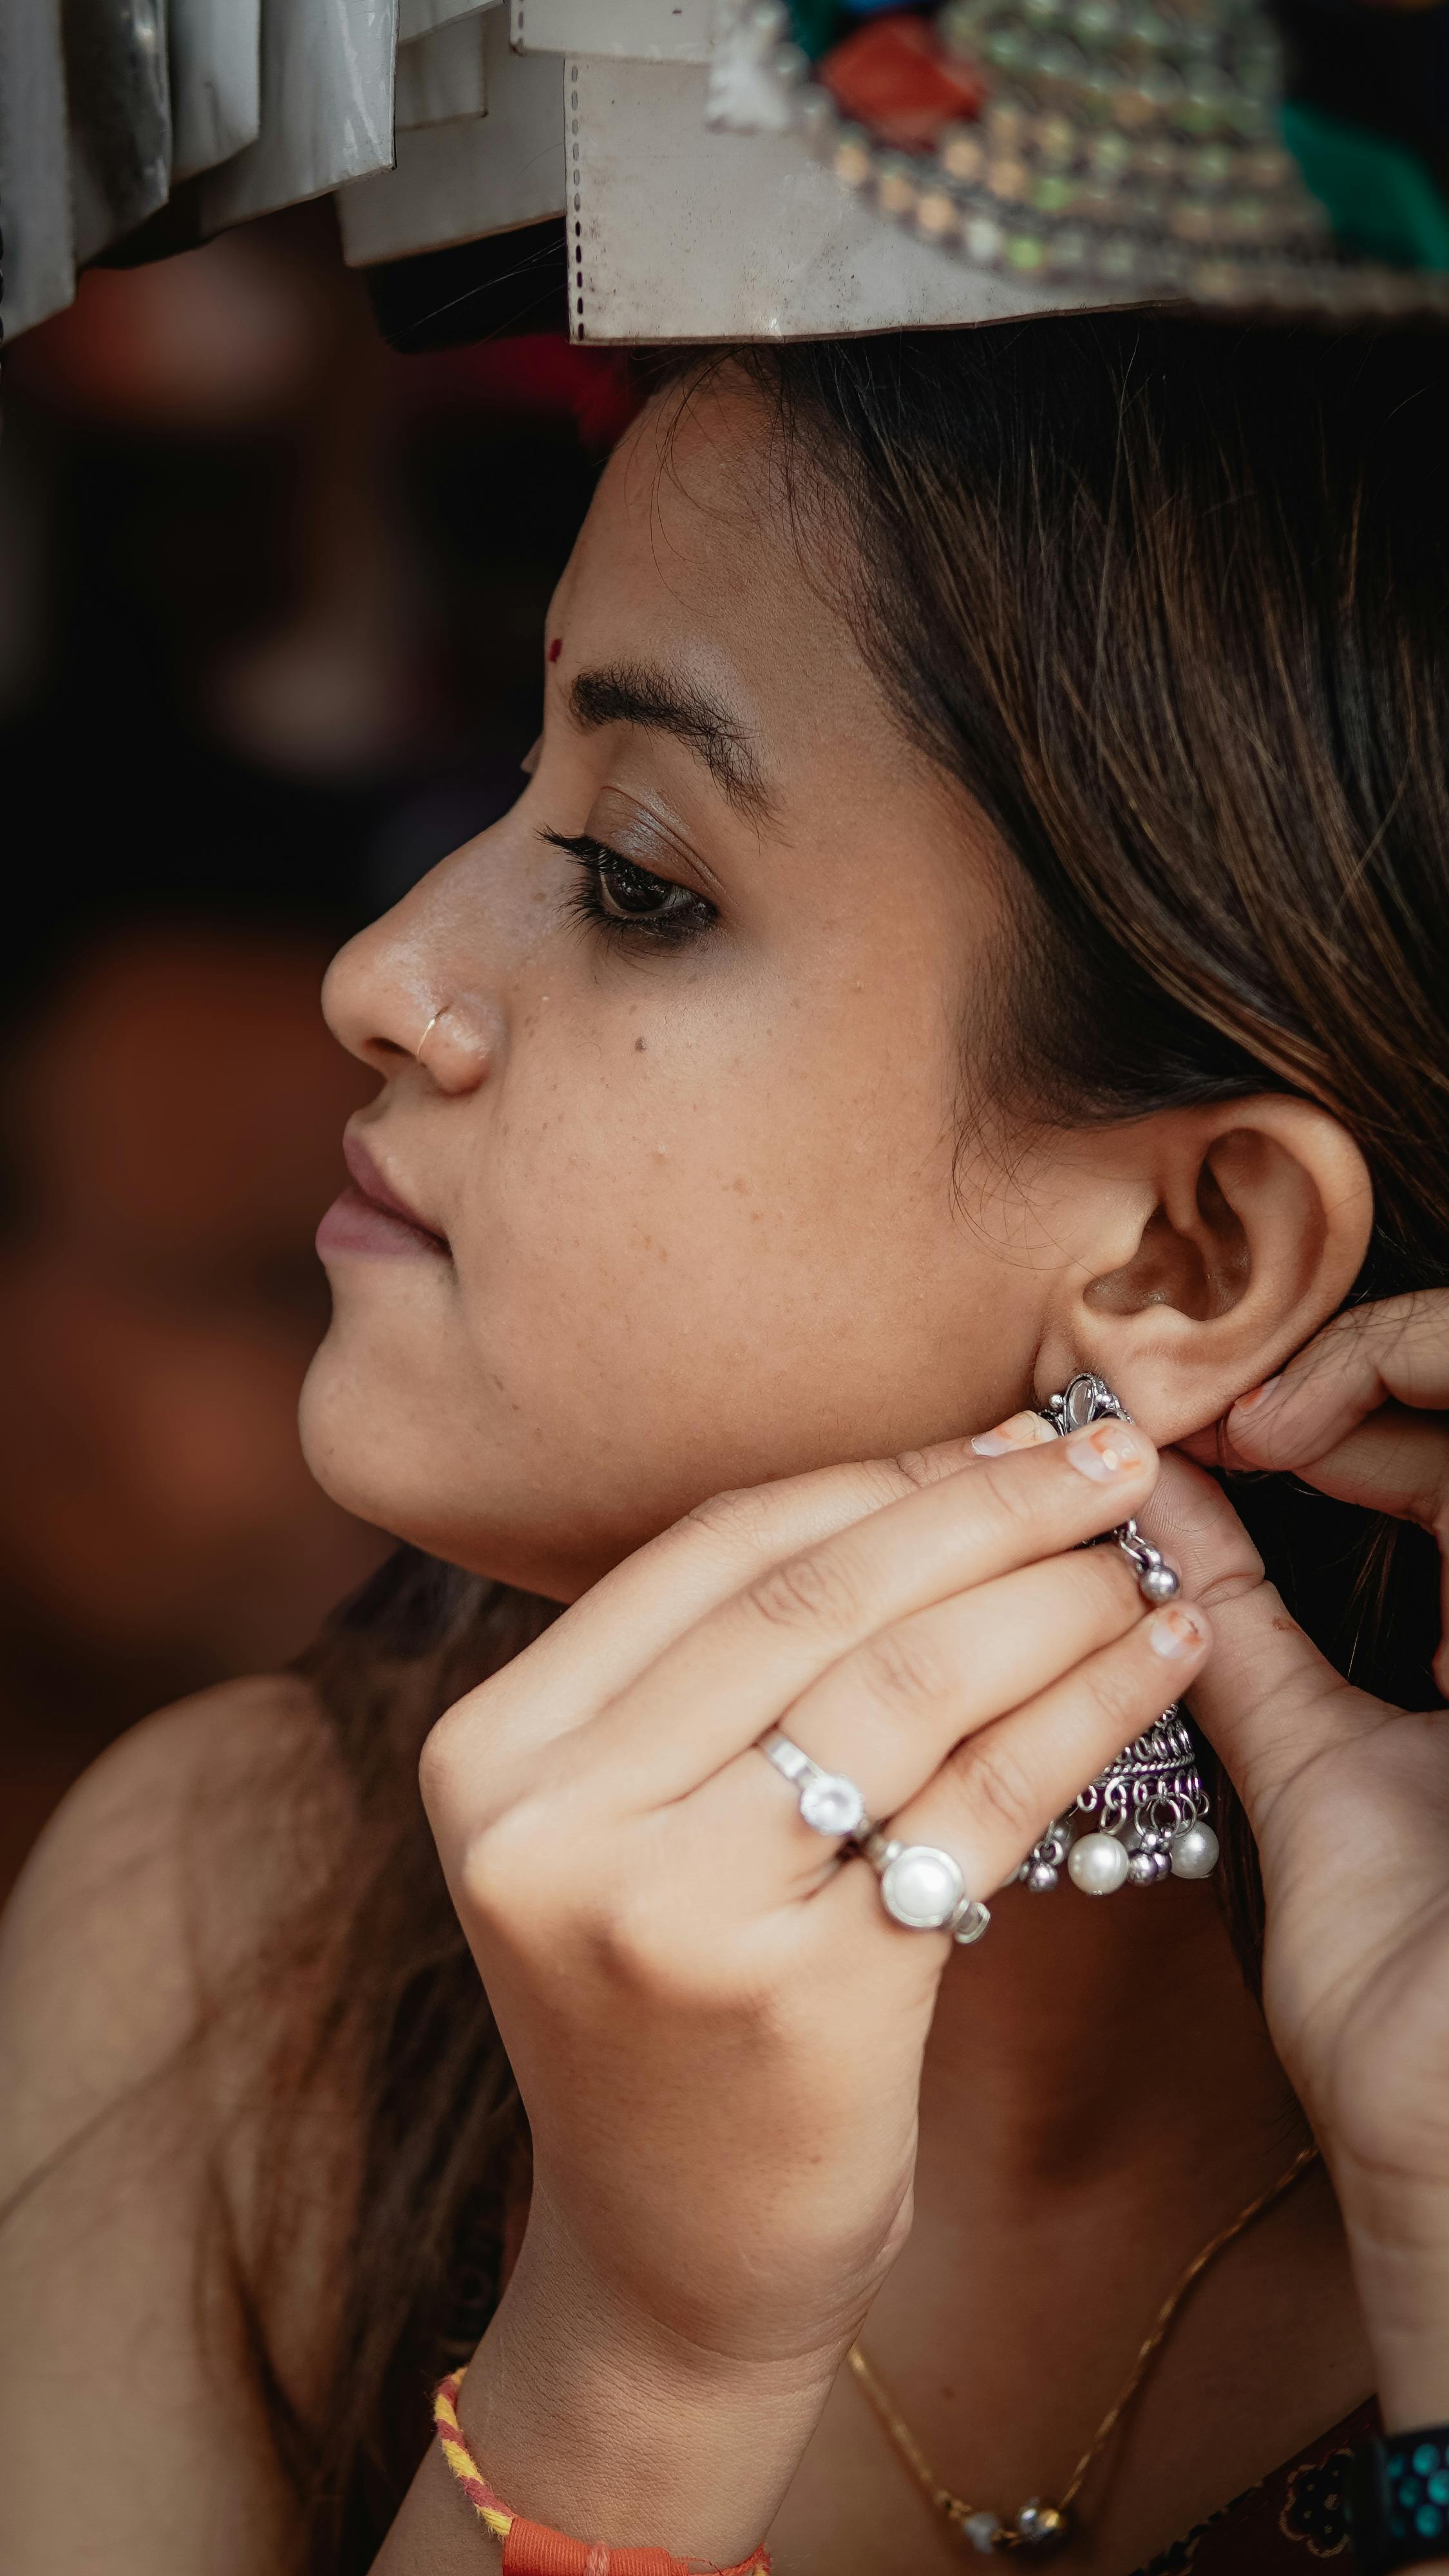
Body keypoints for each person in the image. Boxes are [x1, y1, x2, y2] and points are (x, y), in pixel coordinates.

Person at [2, 313, 1448, 2576]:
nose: (381, 970)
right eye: (512, 789)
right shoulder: (239, 1922)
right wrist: (632, 2372)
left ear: (1188, 1252)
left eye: (636, 879)